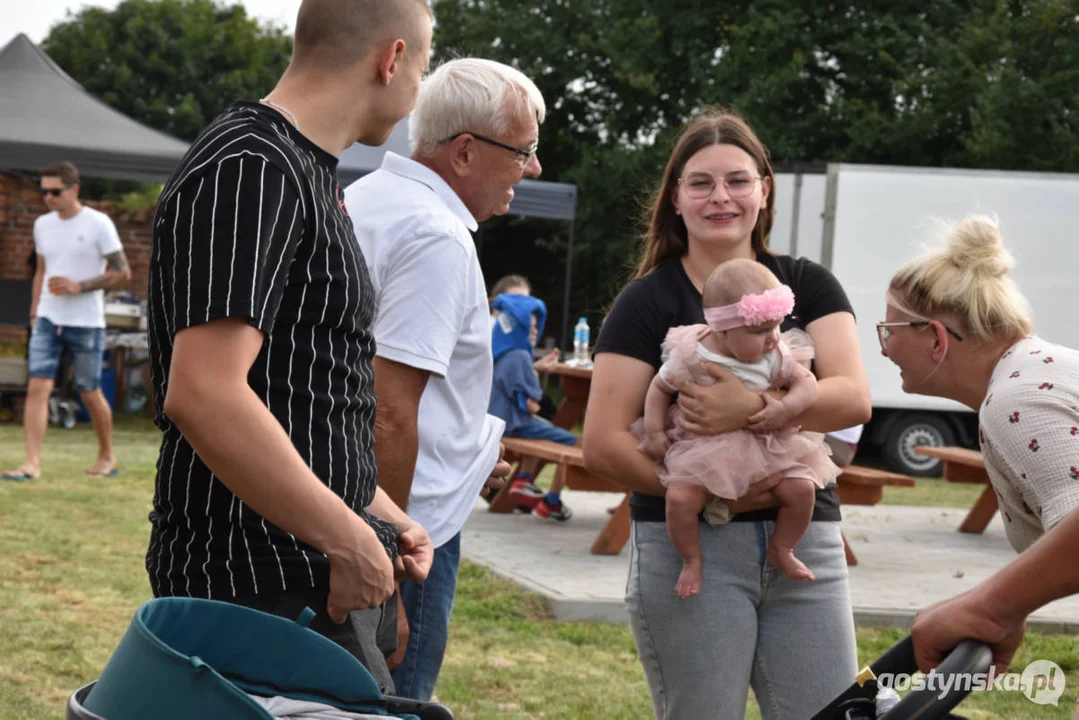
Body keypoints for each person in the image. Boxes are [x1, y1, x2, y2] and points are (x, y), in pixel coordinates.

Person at [144, 0, 435, 693]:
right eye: (423, 65)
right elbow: (205, 393)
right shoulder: (253, 164)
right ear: (390, 59)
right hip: (259, 587)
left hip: (301, 577)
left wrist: (374, 508)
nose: (418, 86)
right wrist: (345, 537)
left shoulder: (302, 169)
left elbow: (297, 387)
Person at [582, 108, 872, 720]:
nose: (721, 197)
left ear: (764, 191)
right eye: (701, 182)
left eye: (738, 180)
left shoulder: (806, 285)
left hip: (806, 539)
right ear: (676, 199)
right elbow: (603, 443)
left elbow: (853, 397)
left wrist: (756, 406)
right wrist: (716, 495)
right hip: (692, 546)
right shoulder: (647, 301)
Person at [343, 57, 543, 700]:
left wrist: (467, 450)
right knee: (391, 701)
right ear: (464, 153)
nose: (533, 169)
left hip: (352, 506)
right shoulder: (436, 234)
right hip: (406, 531)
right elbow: (388, 410)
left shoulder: (363, 198)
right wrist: (390, 570)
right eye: (524, 151)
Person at [873, 215, 1079, 674]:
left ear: (936, 337)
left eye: (890, 331)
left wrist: (991, 607)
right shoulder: (1039, 371)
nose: (884, 350)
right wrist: (1013, 603)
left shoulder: (1014, 399)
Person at [634, 258, 841, 594]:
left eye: (777, 326)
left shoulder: (777, 353)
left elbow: (808, 383)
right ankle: (691, 559)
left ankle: (783, 547)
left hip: (768, 445)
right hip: (704, 449)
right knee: (680, 500)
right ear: (723, 331)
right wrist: (655, 432)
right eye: (760, 331)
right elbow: (659, 388)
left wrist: (785, 409)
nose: (773, 338)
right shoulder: (692, 354)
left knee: (802, 490)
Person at [3, 161, 131, 482]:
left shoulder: (99, 223)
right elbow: (41, 272)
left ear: (74, 189)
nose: (48, 197)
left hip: (86, 321)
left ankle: (106, 455)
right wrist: (34, 312)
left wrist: (79, 286)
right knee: (38, 386)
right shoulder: (42, 225)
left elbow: (122, 273)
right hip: (48, 317)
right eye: (43, 191)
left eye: (55, 191)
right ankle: (31, 464)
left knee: (88, 389)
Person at [488, 292, 576, 520]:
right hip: (511, 424)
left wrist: (535, 368)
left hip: (499, 420)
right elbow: (531, 402)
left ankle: (525, 479)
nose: (535, 332)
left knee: (541, 428)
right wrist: (534, 401)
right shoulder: (519, 355)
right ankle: (552, 500)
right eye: (531, 327)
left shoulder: (501, 350)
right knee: (573, 443)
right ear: (518, 326)